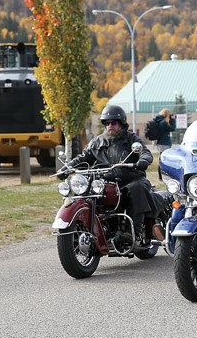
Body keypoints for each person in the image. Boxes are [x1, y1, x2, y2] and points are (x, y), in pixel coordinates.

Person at [61, 105, 157, 247]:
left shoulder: (130, 139)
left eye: (114, 123)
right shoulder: (97, 142)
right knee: (86, 193)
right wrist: (67, 167)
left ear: (121, 124)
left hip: (131, 179)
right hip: (105, 182)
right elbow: (83, 158)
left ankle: (133, 234)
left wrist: (143, 161)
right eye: (107, 123)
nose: (110, 126)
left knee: (137, 188)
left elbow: (145, 152)